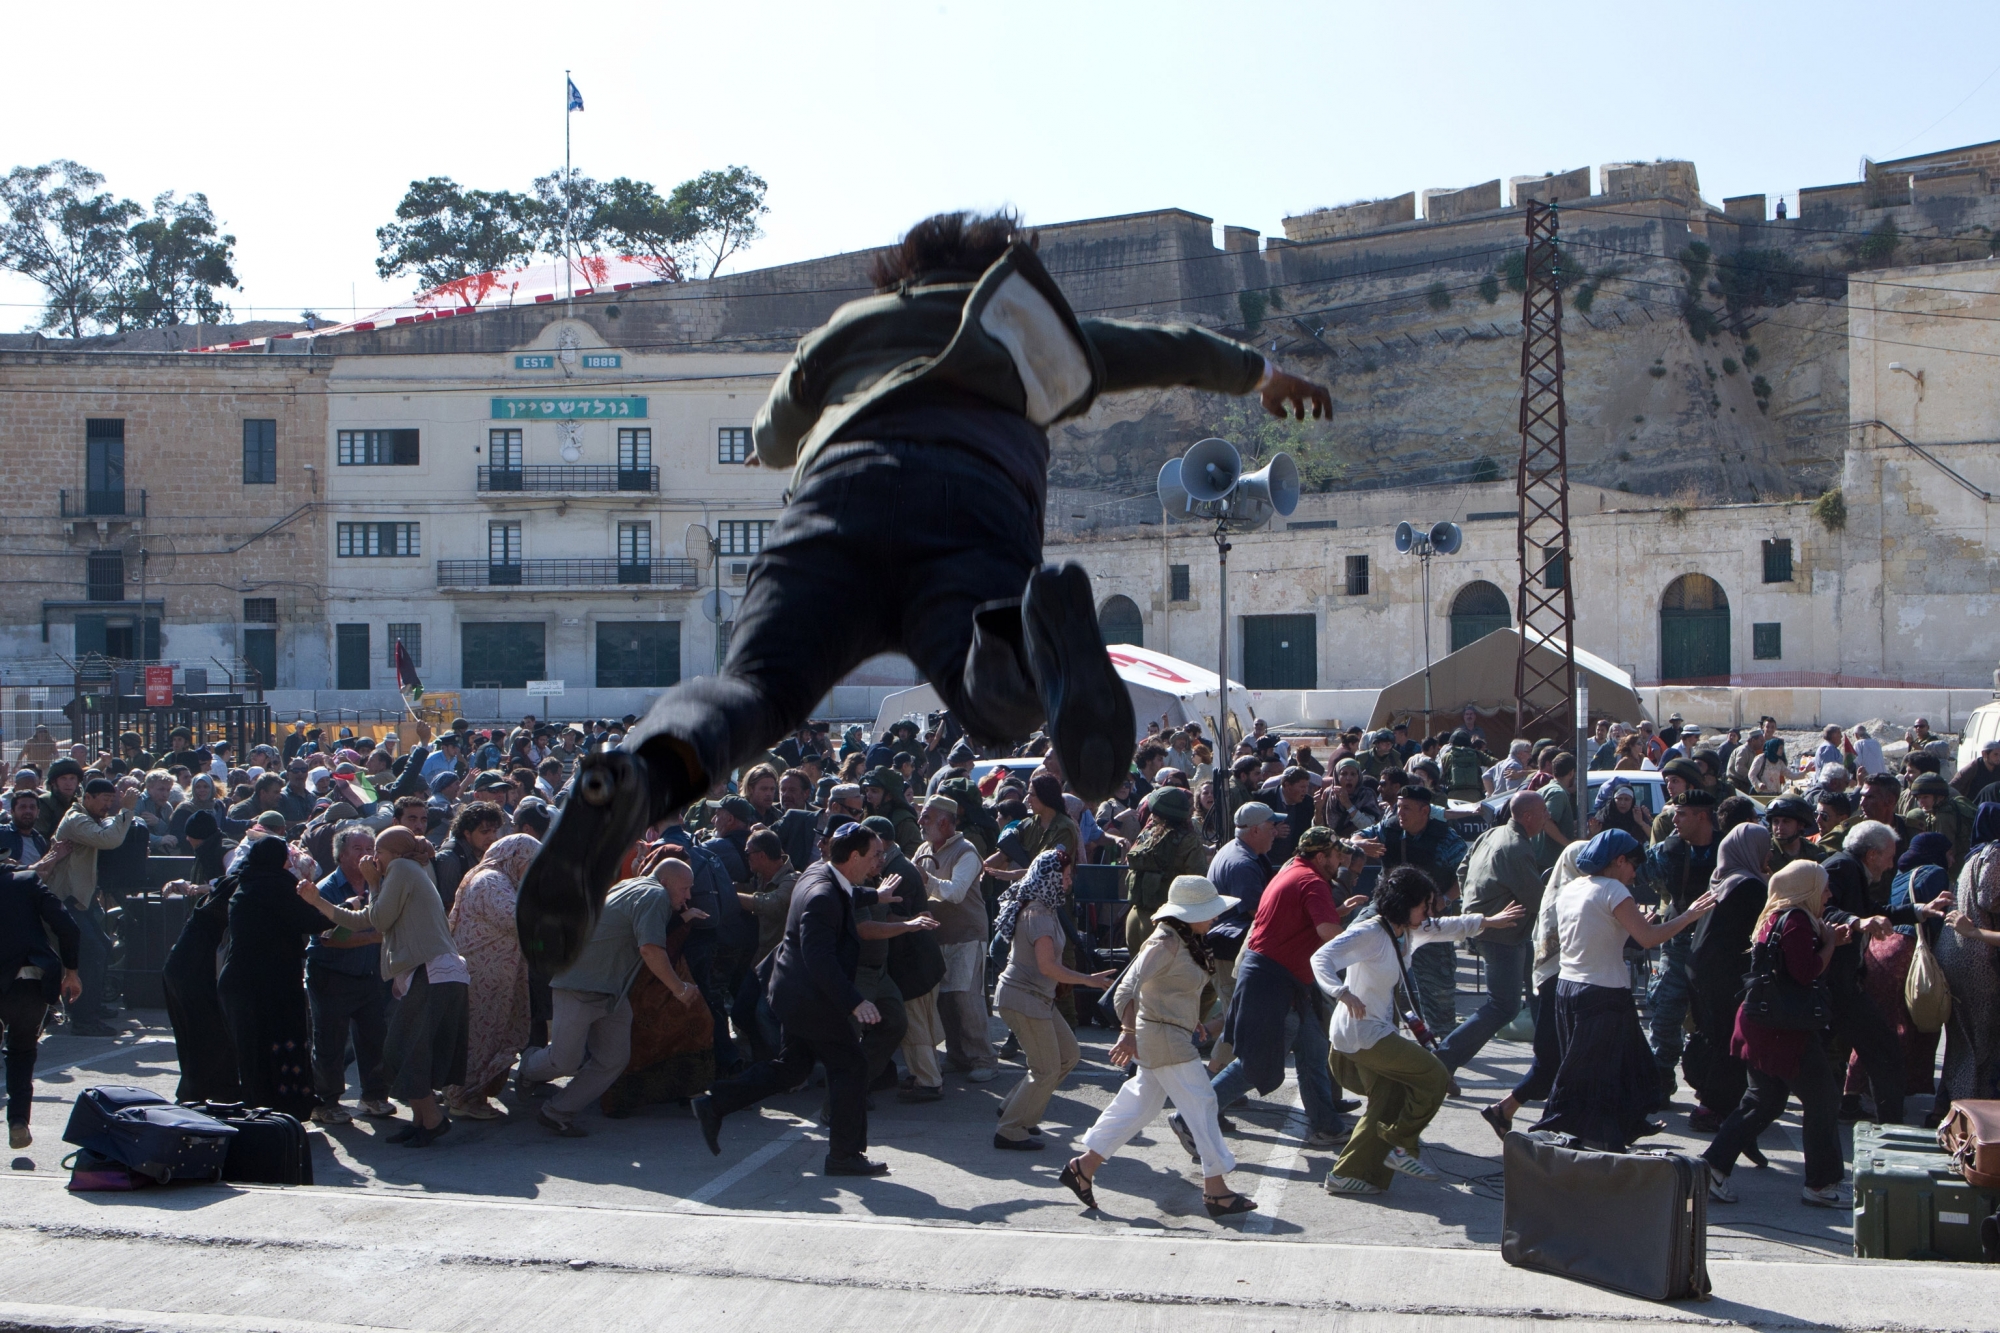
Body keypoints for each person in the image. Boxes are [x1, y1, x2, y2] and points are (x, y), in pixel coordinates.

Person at [522, 210, 1333, 973]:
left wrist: (784, 445)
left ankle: (634, 774)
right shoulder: (1023, 328)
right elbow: (1163, 347)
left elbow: (773, 434)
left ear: (901, 271)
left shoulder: (852, 325)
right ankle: (1022, 630)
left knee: (751, 692)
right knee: (994, 702)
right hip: (972, 500)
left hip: (838, 502)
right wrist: (1260, 372)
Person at [696, 823, 938, 1176]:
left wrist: (876, 897)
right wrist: (855, 1001)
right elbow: (818, 956)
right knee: (851, 1066)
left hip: (794, 990)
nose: (878, 862)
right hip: (811, 997)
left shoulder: (818, 872)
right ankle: (844, 1155)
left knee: (792, 1067)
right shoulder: (823, 897)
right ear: (853, 857)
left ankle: (715, 1103)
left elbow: (845, 895)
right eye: (873, 856)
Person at [1314, 866, 1526, 1195]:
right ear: (1402, 903)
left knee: (1389, 1100)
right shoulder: (1371, 932)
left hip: (1373, 1032)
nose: (1430, 911)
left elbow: (1446, 927)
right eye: (1424, 905)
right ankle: (1401, 1146)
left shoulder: (1407, 931)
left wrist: (1488, 921)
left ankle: (1347, 1175)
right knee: (1435, 1076)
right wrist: (1341, 992)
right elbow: (1321, 958)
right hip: (1360, 1034)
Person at [1063, 875, 1257, 1218]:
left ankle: (1084, 1167)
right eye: (1209, 911)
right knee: (1202, 1102)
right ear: (1188, 913)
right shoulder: (1164, 942)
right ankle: (1216, 1190)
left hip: (1167, 1033)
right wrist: (1127, 1030)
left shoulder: (1183, 940)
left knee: (1141, 1104)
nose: (1215, 917)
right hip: (1162, 1036)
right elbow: (1125, 990)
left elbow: (1169, 990)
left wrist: (1186, 1018)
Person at [1533, 830, 1718, 1151]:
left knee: (1619, 1066)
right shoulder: (1614, 890)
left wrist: (1635, 923)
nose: (1635, 873)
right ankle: (1594, 1139)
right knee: (1604, 1071)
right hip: (1603, 994)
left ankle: (1623, 1127)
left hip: (1570, 988)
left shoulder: (1573, 887)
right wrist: (1690, 916)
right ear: (1618, 861)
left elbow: (1600, 932)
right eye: (1632, 865)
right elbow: (1648, 939)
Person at [298, 826, 468, 1147]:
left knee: (402, 1048)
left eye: (377, 851)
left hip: (431, 972)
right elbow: (363, 919)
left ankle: (431, 1120)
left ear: (394, 852)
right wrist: (319, 901)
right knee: (406, 1048)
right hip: (429, 972)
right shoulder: (404, 871)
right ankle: (421, 1121)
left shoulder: (403, 868)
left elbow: (377, 920)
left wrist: (373, 882)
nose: (372, 858)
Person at [517, 851, 699, 1137]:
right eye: (685, 888)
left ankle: (557, 1112)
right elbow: (650, 949)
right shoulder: (656, 897)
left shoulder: (633, 885)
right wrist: (679, 988)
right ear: (665, 882)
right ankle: (527, 1066)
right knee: (565, 1061)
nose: (688, 895)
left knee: (613, 1058)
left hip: (611, 992)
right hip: (580, 986)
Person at [1702, 861, 1849, 1207]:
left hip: (1765, 1023)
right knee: (1822, 1099)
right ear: (1806, 888)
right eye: (1824, 887)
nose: (1829, 893)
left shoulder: (1776, 915)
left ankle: (1712, 1167)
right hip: (1784, 1030)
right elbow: (1805, 971)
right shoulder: (1797, 920)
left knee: (1762, 1101)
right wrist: (1829, 944)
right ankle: (1821, 1184)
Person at [1204, 826, 1358, 1148]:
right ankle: (1191, 1118)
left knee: (1313, 1051)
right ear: (1320, 856)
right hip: (1274, 982)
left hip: (1279, 980)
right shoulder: (1312, 881)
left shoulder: (1293, 870)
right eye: (1335, 854)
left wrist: (1340, 912)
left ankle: (1326, 1125)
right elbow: (1328, 931)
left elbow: (1304, 922)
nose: (1341, 860)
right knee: (1256, 1063)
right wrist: (1365, 946)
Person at [992, 849, 1116, 1150]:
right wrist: (1089, 980)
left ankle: (1015, 1108)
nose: (1069, 881)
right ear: (1050, 878)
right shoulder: (1038, 913)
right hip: (1024, 998)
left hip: (1036, 997)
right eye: (1066, 876)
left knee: (1067, 1056)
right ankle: (1009, 1129)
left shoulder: (1043, 908)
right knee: (1046, 1068)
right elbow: (1048, 966)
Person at [1437, 791, 1553, 1074]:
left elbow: (1463, 870)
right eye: (1543, 814)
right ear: (1527, 817)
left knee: (1541, 991)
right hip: (1503, 935)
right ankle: (1443, 1059)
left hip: (1503, 931)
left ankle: (1551, 1061)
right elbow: (1538, 900)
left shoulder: (1492, 834)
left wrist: (1475, 909)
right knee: (1504, 1006)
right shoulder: (1516, 847)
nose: (1547, 818)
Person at [216, 836, 330, 1119]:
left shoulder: (247, 881)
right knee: (281, 1045)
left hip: (240, 982)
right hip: (271, 986)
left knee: (252, 1052)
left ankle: (258, 1116)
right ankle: (282, 1114)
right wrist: (347, 910)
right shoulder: (278, 885)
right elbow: (311, 921)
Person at [1477, 841, 1585, 1137]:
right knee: (1551, 1061)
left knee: (1560, 1060)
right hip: (1554, 988)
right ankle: (1517, 1116)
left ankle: (1506, 1111)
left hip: (1565, 986)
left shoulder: (1577, 892)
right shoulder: (1564, 897)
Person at [1351, 786, 1469, 1040]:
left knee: (1439, 990)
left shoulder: (1446, 839)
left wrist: (1446, 898)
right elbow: (1355, 837)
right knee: (1354, 941)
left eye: (1406, 808)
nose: (1399, 812)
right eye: (1398, 806)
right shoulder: (1388, 828)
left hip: (1428, 920)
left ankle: (1444, 1051)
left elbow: (1468, 871)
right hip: (1387, 913)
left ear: (1424, 811)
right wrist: (1360, 844)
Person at [1684, 823, 1775, 1134]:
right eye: (1765, 846)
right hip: (1725, 975)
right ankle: (1713, 1107)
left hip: (1702, 969)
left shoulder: (1721, 879)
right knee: (1730, 1041)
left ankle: (1708, 1097)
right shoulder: (1749, 885)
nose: (1769, 853)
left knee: (1714, 1035)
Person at [442, 833, 539, 1121]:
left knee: (487, 1035)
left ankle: (470, 1093)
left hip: (494, 977)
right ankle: (462, 1097)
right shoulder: (491, 881)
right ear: (514, 858)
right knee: (478, 1039)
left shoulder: (500, 879)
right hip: (482, 977)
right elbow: (517, 920)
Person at [304, 825, 393, 1125]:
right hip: (331, 975)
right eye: (359, 848)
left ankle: (374, 1096)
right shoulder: (327, 889)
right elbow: (326, 938)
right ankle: (326, 1103)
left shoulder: (379, 885)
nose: (367, 854)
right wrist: (373, 937)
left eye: (372, 848)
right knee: (330, 1041)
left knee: (373, 1038)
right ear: (341, 855)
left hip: (369, 974)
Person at [1636, 787, 1719, 1102]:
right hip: (1678, 938)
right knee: (1667, 1007)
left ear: (1702, 816)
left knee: (1713, 1012)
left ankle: (1712, 1078)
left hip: (1715, 942)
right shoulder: (1669, 848)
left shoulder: (1726, 848)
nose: (1674, 820)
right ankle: (1662, 1075)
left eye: (1681, 814)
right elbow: (1639, 872)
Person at [42, 776, 139, 1036]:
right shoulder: (76, 820)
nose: (107, 806)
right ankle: (84, 1018)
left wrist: (119, 813)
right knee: (91, 952)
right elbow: (109, 839)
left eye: (111, 800)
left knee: (102, 947)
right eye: (103, 801)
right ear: (87, 798)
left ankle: (88, 1005)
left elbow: (108, 828)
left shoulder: (89, 817)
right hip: (63, 900)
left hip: (79, 900)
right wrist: (126, 810)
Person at [905, 795, 983, 1098]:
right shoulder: (924, 849)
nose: (921, 823)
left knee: (966, 999)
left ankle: (983, 1058)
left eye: (926, 817)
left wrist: (928, 879)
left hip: (966, 934)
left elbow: (956, 893)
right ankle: (957, 1056)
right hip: (938, 935)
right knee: (945, 999)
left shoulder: (967, 852)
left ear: (944, 822)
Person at [0, 857, 80, 1148]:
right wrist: (71, 971)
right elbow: (68, 927)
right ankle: (19, 1120)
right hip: (28, 983)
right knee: (21, 1052)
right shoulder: (26, 881)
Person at [1938, 805, 2000, 1118]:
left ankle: (1946, 1108)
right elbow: (1990, 899)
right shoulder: (1995, 852)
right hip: (1978, 956)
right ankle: (1970, 1116)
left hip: (1960, 951)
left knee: (1963, 1039)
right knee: (1980, 1041)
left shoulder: (1973, 854)